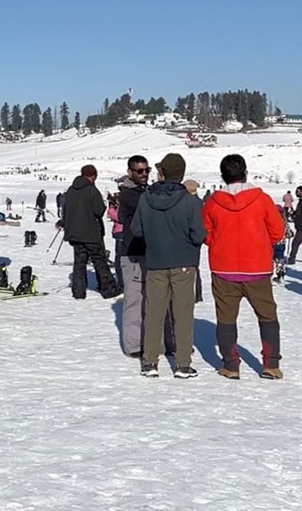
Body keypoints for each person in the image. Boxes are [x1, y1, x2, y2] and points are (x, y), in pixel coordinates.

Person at [203, 154, 285, 380]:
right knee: (267, 316)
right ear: (245, 172)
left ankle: (231, 365)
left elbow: (205, 233)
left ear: (223, 176)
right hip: (257, 268)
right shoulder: (262, 199)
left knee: (226, 319)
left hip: (223, 268)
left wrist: (220, 243)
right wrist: (259, 244)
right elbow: (278, 231)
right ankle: (271, 364)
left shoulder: (212, 202)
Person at [130, 153, 206, 378]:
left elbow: (137, 230)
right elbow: (199, 234)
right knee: (182, 314)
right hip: (184, 263)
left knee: (154, 313)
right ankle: (182, 364)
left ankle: (150, 362)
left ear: (162, 173)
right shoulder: (191, 202)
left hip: (155, 262)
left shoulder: (146, 198)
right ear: (181, 174)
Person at [63, 164, 119, 299]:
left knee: (79, 263)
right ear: (92, 176)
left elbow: (66, 211)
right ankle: (108, 289)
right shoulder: (91, 190)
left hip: (75, 234)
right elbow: (99, 211)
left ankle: (78, 292)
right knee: (100, 261)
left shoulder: (71, 190)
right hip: (91, 234)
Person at [115, 156, 150, 356]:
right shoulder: (129, 194)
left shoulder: (144, 191)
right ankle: (134, 344)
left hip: (146, 251)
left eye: (147, 170)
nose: (144, 174)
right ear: (130, 172)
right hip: (132, 253)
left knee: (149, 299)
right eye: (139, 171)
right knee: (134, 300)